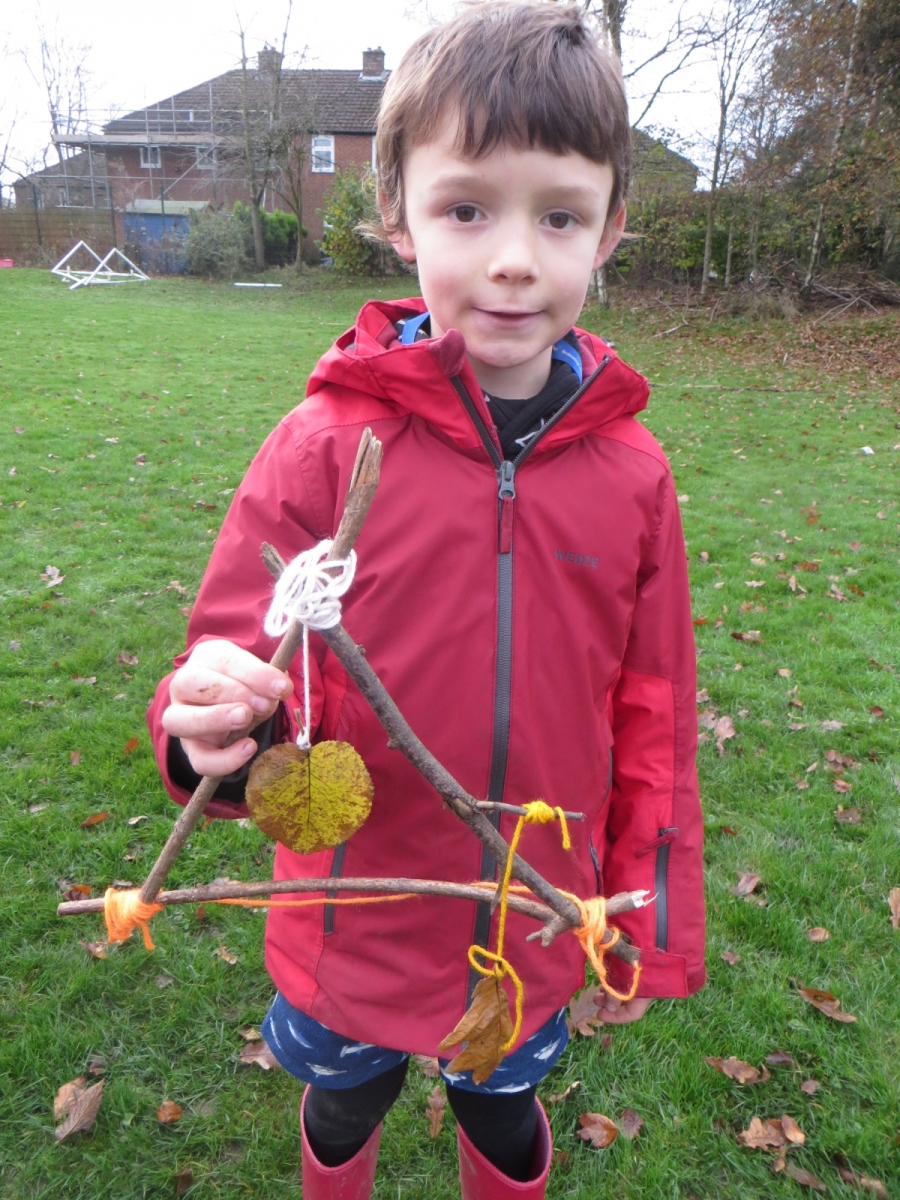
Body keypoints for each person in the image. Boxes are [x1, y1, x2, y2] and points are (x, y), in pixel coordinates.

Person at [147, 5, 706, 1197]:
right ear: (396, 214)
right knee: (343, 1102)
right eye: (466, 210)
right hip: (353, 916)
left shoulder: (634, 476)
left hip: (531, 919)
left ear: (611, 228)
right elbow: (231, 656)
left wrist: (646, 921)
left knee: (501, 1116)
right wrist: (209, 729)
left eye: (559, 216)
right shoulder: (321, 446)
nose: (514, 259)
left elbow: (655, 713)